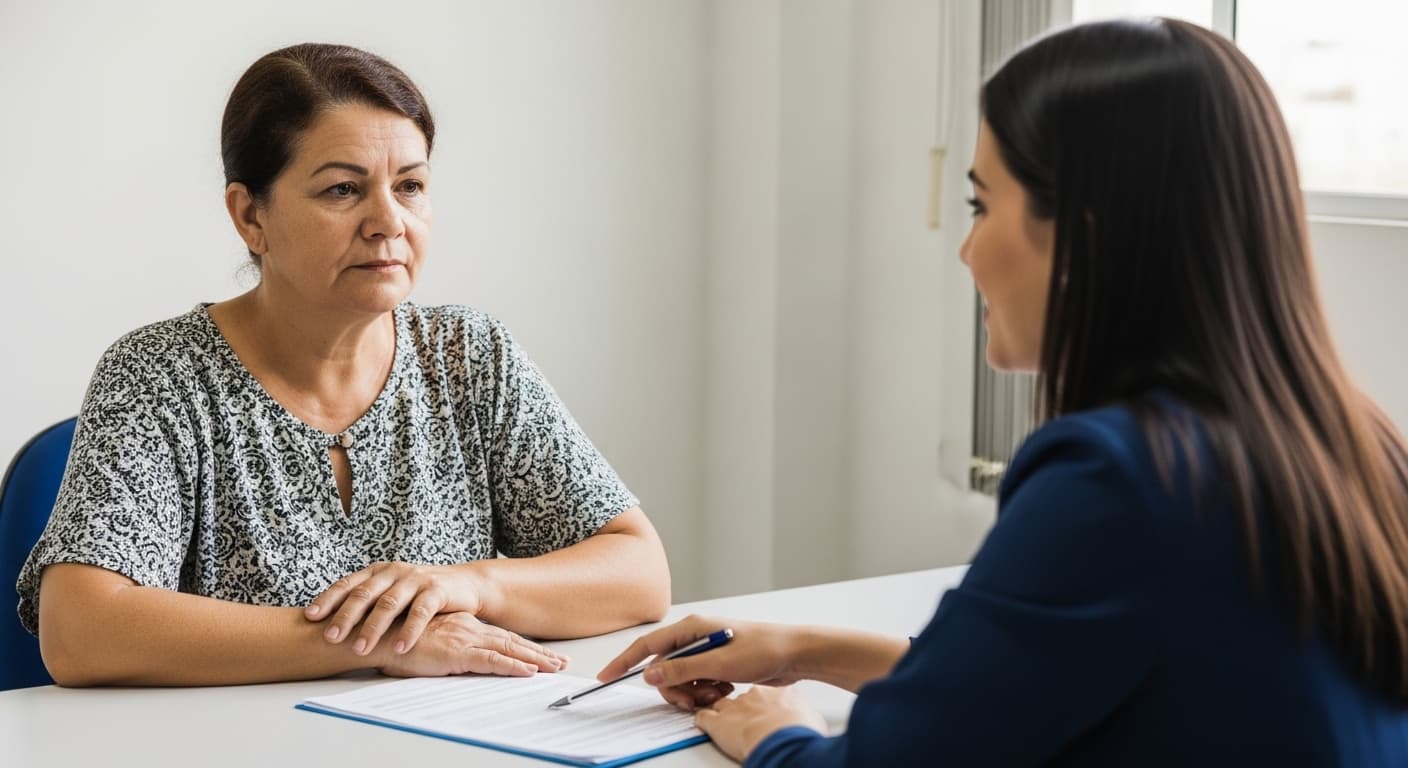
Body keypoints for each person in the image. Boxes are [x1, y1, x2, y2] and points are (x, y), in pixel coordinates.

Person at [597, 18, 1408, 766]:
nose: (967, 251)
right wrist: (804, 649)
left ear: (1083, 235)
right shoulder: (1357, 445)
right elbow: (1028, 683)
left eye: (982, 205)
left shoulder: (1115, 480)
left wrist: (774, 736)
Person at [17, 43, 671, 687]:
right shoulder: (159, 373)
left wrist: (469, 586)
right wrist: (380, 639)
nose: (389, 221)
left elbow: (638, 572)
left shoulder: (470, 355)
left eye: (410, 186)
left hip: (438, 737)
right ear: (250, 216)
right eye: (342, 189)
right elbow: (80, 630)